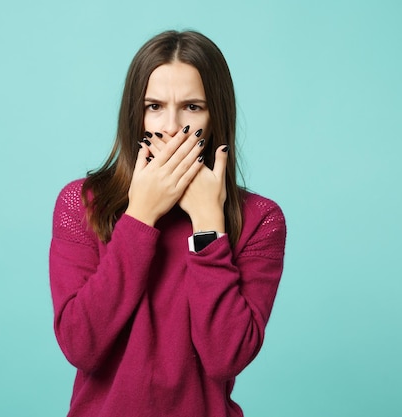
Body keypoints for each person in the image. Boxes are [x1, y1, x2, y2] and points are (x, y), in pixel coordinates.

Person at [49, 30, 286, 417]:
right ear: (135, 114)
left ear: (216, 116)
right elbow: (81, 346)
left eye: (193, 107)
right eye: (154, 106)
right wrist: (141, 216)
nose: (172, 127)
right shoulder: (81, 204)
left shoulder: (260, 219)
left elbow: (226, 357)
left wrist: (209, 224)